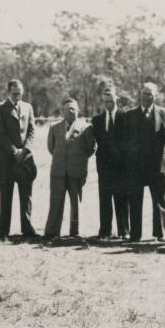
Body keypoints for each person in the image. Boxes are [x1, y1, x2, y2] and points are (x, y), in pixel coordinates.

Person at [123, 82, 165, 241]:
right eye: (144, 93)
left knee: (159, 201)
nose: (146, 97)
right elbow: (124, 141)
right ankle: (135, 234)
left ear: (155, 96)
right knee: (135, 201)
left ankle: (160, 233)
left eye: (150, 94)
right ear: (139, 94)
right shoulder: (129, 115)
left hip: (157, 166)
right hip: (135, 167)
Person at [45, 98, 96, 238]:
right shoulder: (54, 127)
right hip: (58, 171)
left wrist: (77, 159)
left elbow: (90, 149)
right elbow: (51, 148)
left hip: (76, 171)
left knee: (75, 203)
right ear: (62, 112)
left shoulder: (86, 128)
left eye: (73, 108)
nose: (71, 111)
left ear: (78, 110)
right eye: (67, 109)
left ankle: (74, 233)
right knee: (56, 202)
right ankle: (52, 232)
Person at [0, 79, 37, 239]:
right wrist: (14, 150)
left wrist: (25, 150)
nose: (17, 96)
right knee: (6, 195)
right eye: (14, 93)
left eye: (20, 93)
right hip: (6, 158)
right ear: (8, 92)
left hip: (25, 159)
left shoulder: (28, 107)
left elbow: (32, 131)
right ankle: (3, 231)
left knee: (26, 195)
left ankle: (27, 229)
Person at [91, 81, 130, 239]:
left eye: (112, 101)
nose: (109, 104)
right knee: (105, 200)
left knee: (122, 199)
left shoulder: (125, 117)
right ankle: (105, 231)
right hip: (104, 167)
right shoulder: (97, 120)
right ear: (103, 101)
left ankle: (124, 231)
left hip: (121, 166)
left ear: (117, 100)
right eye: (106, 101)